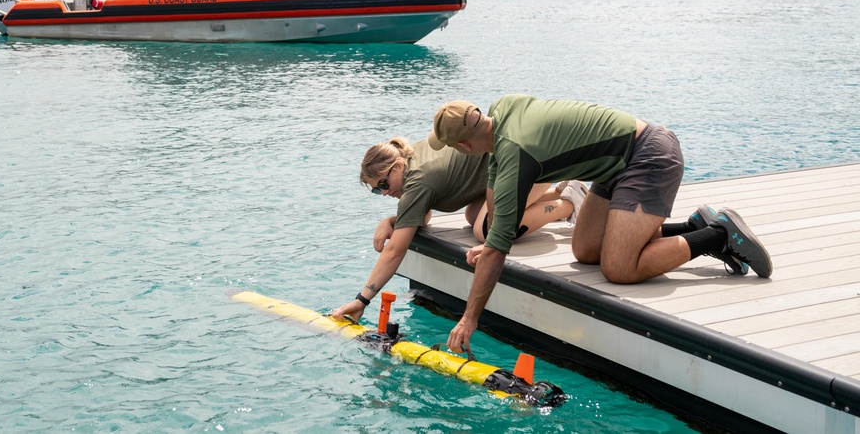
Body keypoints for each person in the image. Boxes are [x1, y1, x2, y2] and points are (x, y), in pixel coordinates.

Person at [426, 95, 773, 355]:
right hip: (615, 166)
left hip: (648, 156)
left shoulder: (516, 153)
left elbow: (500, 247)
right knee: (585, 249)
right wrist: (490, 242)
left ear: (463, 145)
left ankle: (717, 235)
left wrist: (470, 318)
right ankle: (692, 225)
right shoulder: (502, 111)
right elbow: (495, 184)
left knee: (619, 267)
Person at [330, 136, 588, 322]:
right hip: (520, 162)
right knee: (474, 214)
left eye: (383, 184)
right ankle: (561, 191)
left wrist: (362, 300)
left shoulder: (418, 181)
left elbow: (395, 251)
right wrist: (390, 221)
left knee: (487, 230)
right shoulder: (412, 162)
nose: (384, 193)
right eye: (377, 190)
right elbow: (422, 216)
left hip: (530, 163)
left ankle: (566, 205)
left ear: (397, 167)